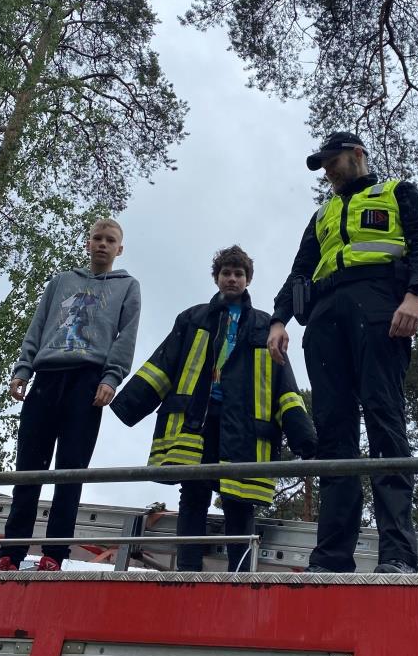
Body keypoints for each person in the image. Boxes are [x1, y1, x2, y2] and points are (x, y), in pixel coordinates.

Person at [267, 132, 418, 574]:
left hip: (379, 306)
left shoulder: (398, 192)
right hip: (325, 317)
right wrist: (279, 320)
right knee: (333, 435)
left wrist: (415, 295)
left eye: (333, 161)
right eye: (323, 165)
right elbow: (300, 270)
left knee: (386, 422)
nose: (328, 170)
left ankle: (397, 554)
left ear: (358, 154)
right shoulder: (322, 214)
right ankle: (331, 558)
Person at [111, 245, 317, 572]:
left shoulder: (265, 326)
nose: (232, 279)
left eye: (238, 274)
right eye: (226, 273)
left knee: (239, 500)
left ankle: (240, 576)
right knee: (193, 493)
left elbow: (283, 386)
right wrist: (128, 403)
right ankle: (187, 573)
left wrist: (303, 436)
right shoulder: (193, 318)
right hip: (197, 421)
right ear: (216, 277)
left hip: (244, 426)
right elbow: (164, 365)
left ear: (248, 279)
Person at [0, 218, 141, 572]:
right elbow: (38, 324)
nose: (102, 244)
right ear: (87, 243)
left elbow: (127, 336)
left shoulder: (127, 286)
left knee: (70, 472)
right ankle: (10, 554)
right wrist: (22, 369)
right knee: (28, 470)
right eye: (97, 238)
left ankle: (53, 555)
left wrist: (111, 377)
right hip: (47, 377)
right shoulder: (61, 282)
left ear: (119, 249)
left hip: (87, 383)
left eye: (110, 240)